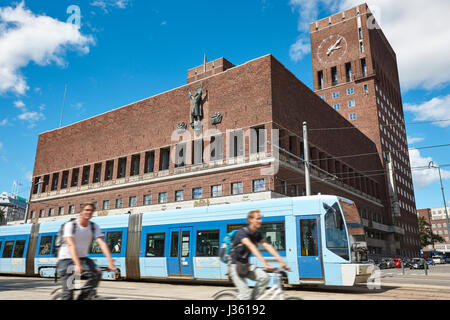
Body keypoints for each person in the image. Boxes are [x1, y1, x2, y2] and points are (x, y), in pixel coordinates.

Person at [56, 203, 117, 300]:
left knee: (97, 272)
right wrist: (77, 264)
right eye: (87, 210)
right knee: (68, 293)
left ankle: (83, 297)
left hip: (83, 258)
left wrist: (110, 262)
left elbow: (102, 243)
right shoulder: (71, 225)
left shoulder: (94, 226)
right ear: (81, 212)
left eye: (91, 211)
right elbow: (71, 245)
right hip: (66, 260)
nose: (89, 212)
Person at [229, 209, 290, 300]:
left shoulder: (257, 234)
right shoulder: (242, 232)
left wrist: (282, 262)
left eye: (260, 218)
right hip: (234, 266)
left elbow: (268, 246)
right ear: (250, 220)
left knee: (265, 278)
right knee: (245, 295)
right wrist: (265, 263)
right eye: (258, 219)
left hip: (245, 266)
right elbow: (252, 247)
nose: (260, 221)